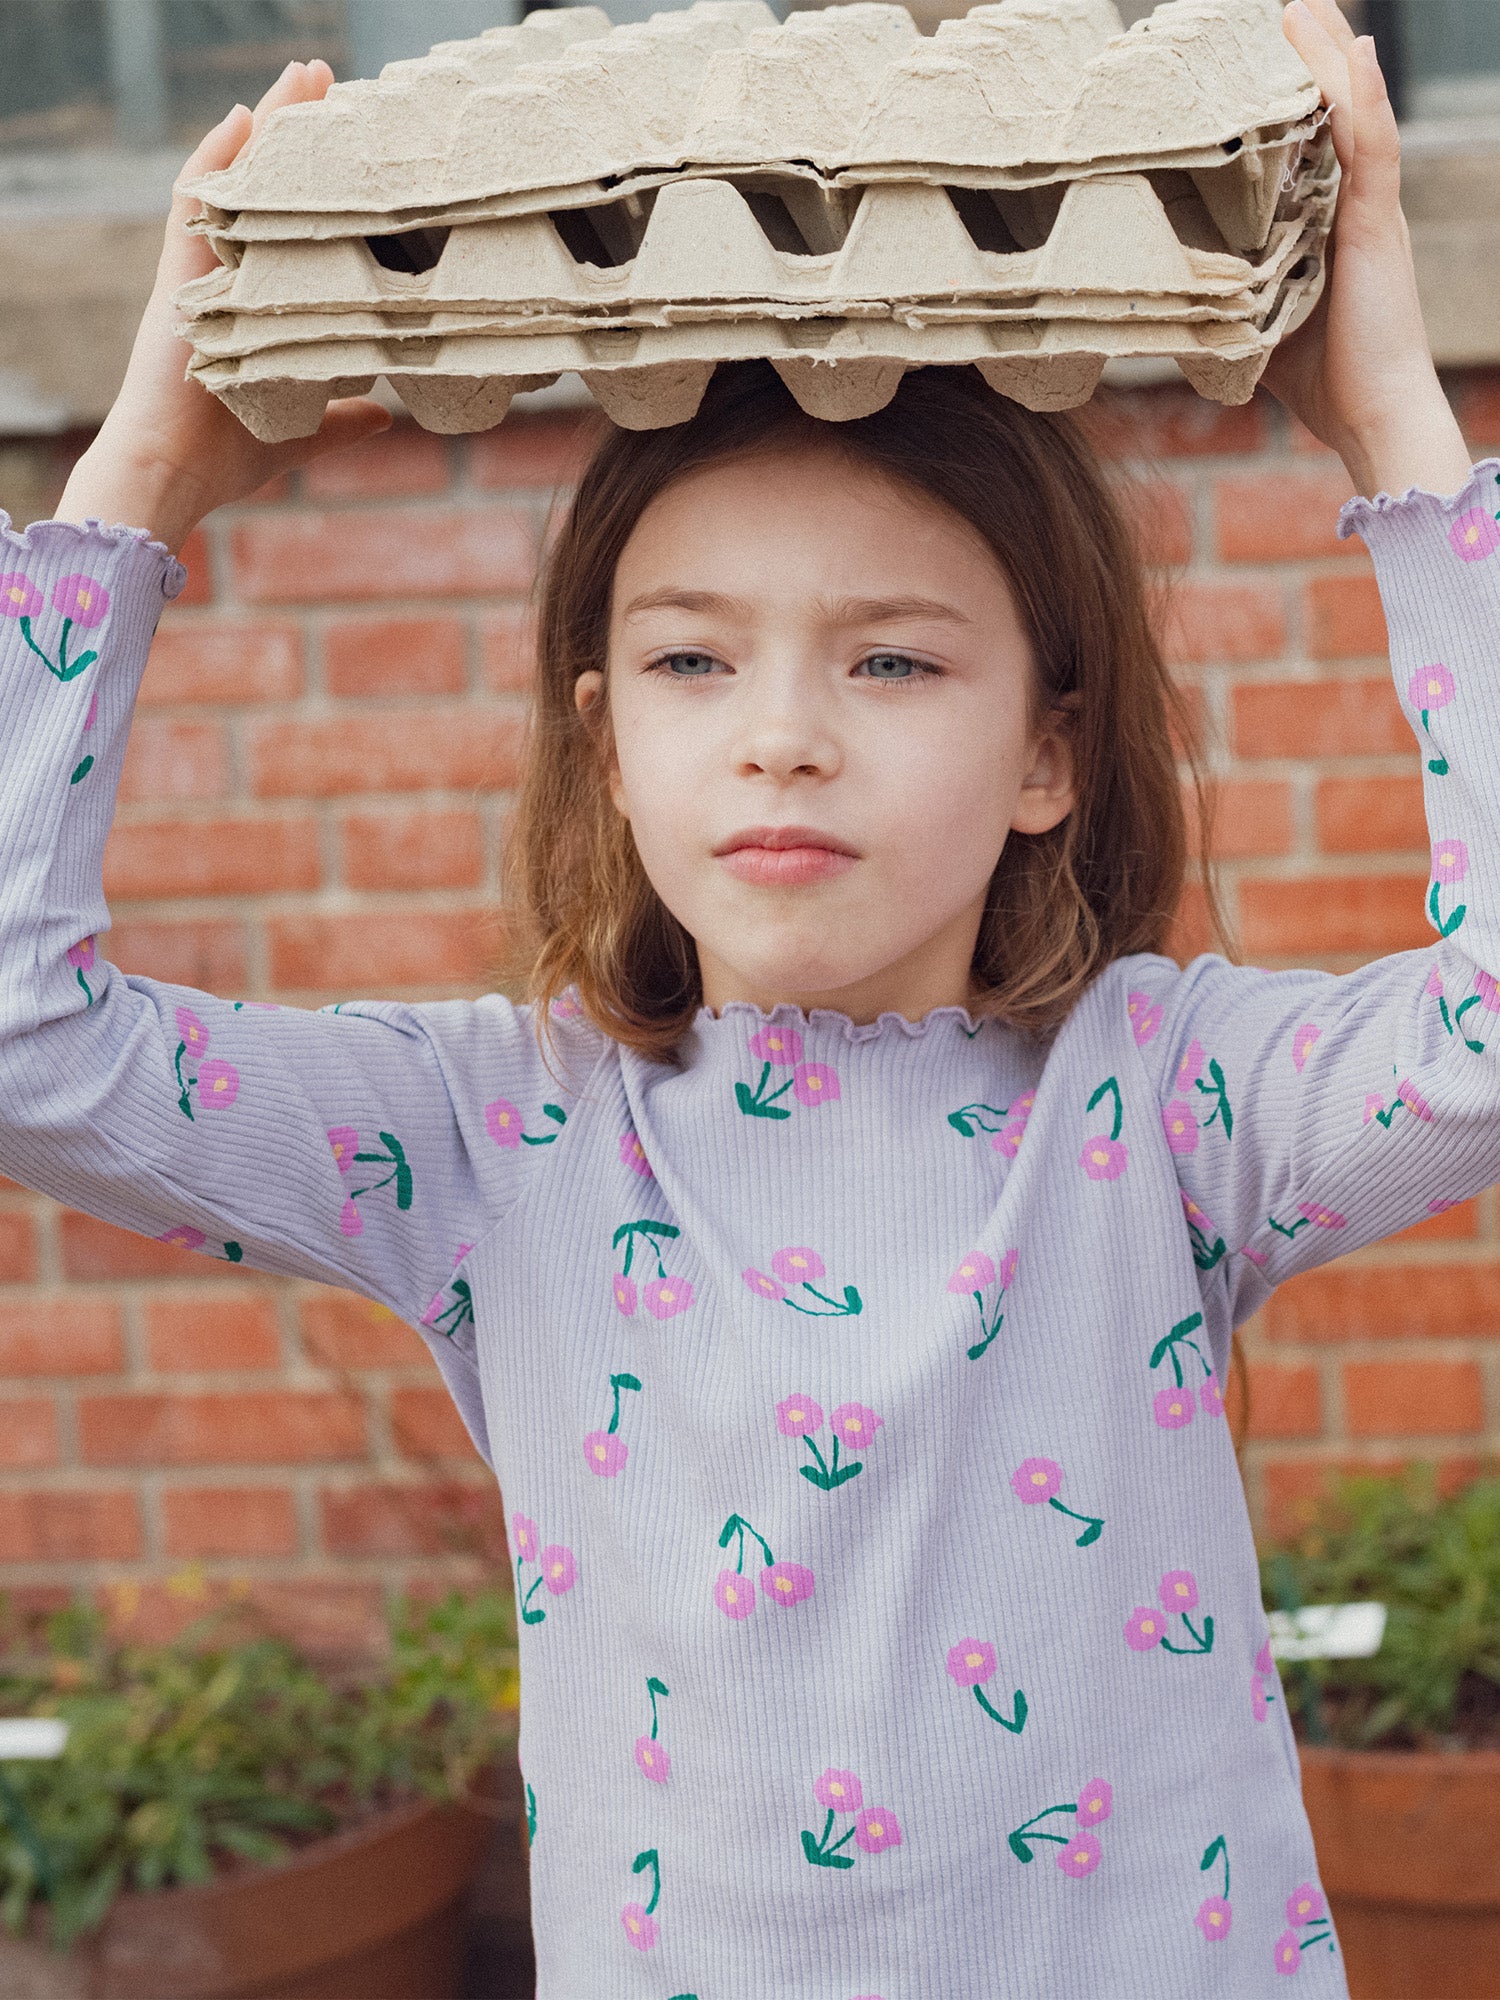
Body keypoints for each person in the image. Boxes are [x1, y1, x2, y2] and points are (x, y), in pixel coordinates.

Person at [0, 0, 1488, 1991]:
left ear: (1049, 752)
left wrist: (1394, 422)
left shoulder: (1162, 1105)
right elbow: (24, 1045)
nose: (782, 734)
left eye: (893, 661)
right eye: (695, 662)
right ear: (606, 745)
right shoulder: (496, 1137)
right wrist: (141, 475)